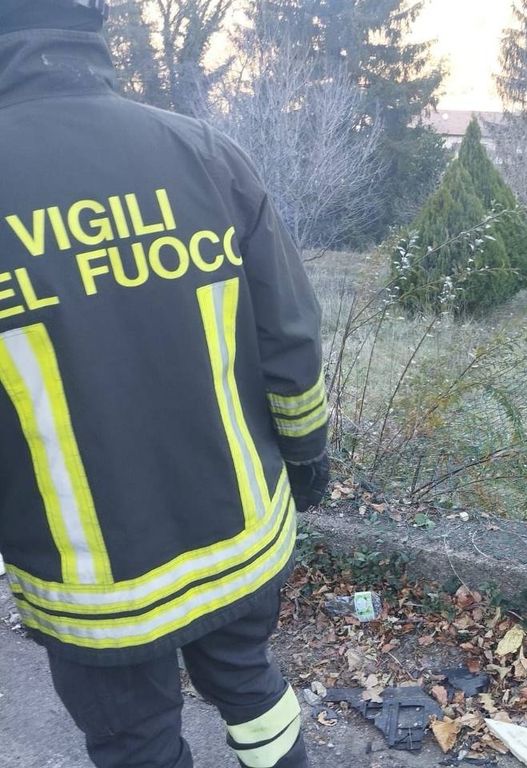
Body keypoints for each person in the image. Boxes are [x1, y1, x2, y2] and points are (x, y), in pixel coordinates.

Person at [0, 1, 332, 766]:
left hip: (93, 586)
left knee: (136, 744)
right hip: (238, 539)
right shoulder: (204, 153)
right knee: (253, 689)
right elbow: (289, 338)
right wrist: (307, 458)